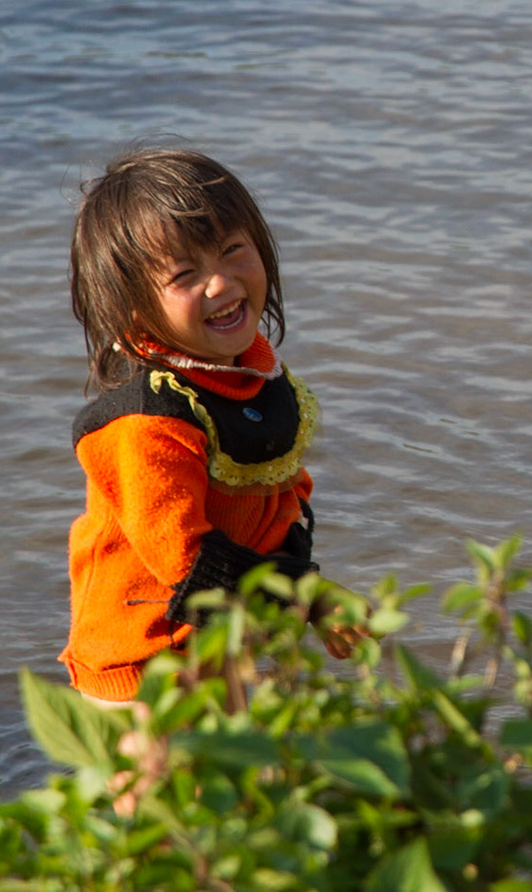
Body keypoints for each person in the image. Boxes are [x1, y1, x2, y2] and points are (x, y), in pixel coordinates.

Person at [59, 146, 359, 705]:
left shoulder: (249, 375)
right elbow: (188, 564)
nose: (220, 284)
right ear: (132, 310)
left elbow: (284, 491)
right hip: (143, 663)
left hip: (223, 639)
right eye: (184, 274)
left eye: (232, 251)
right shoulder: (147, 424)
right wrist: (310, 597)